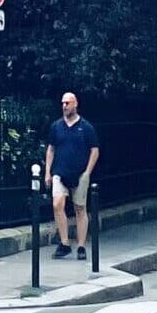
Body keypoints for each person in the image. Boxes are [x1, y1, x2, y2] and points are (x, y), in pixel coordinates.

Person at [44, 92, 100, 260]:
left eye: (67, 103)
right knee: (57, 204)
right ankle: (65, 242)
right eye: (62, 103)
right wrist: (48, 171)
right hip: (60, 172)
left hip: (79, 173)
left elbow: (95, 150)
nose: (64, 106)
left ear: (75, 104)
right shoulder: (56, 126)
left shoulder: (86, 127)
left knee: (80, 208)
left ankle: (81, 245)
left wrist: (87, 172)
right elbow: (51, 149)